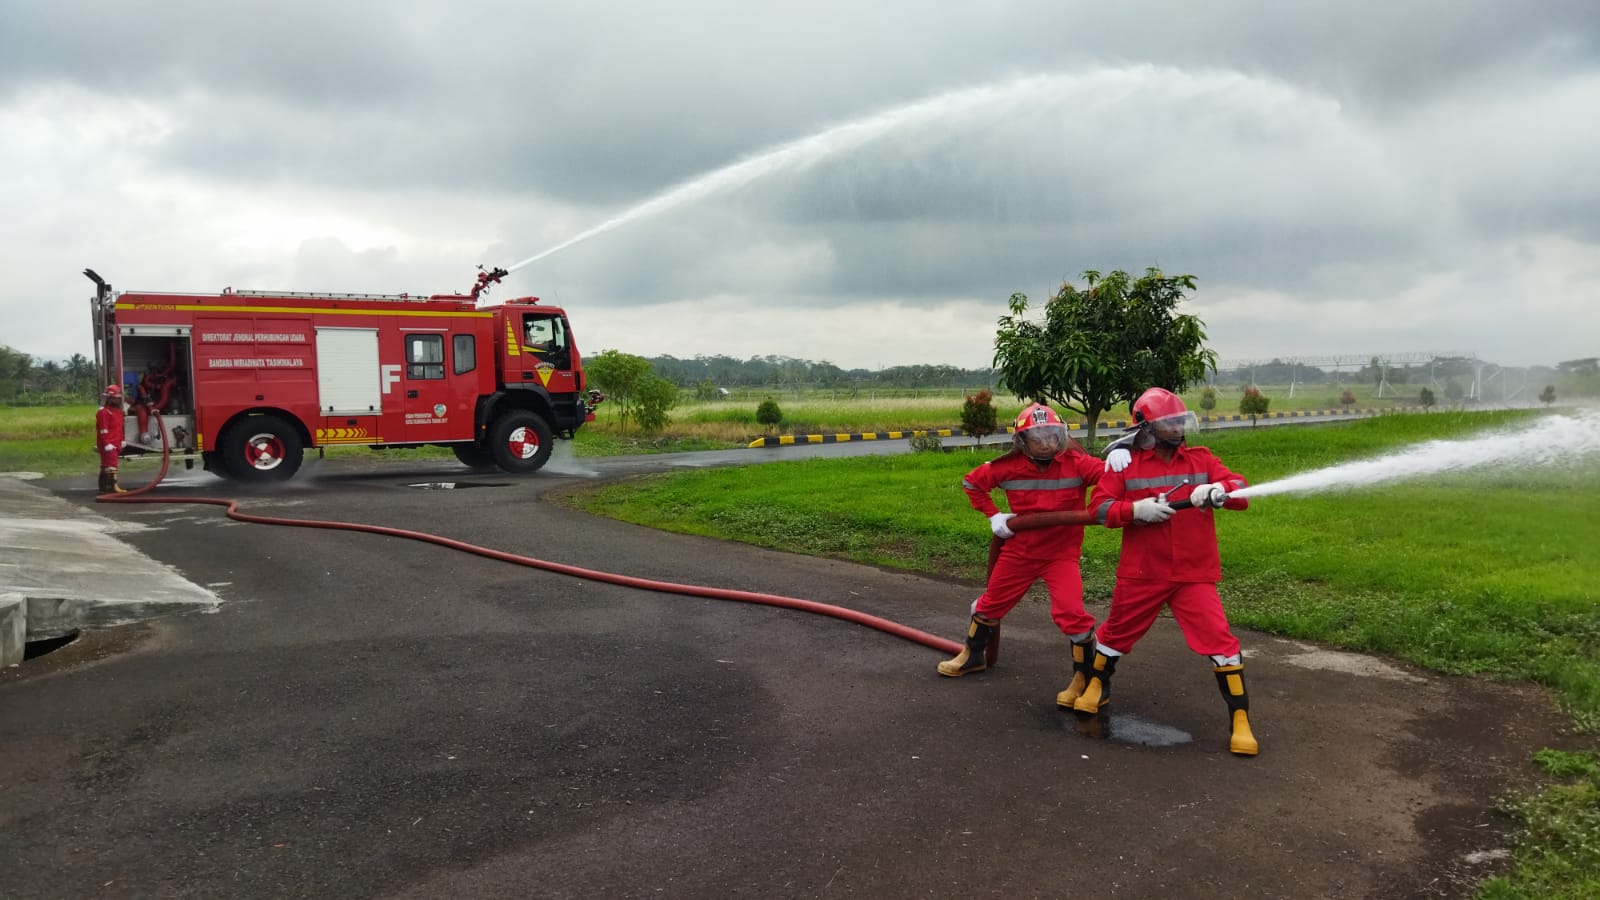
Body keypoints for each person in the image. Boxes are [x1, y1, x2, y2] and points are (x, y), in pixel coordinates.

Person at [1074, 387, 1258, 756]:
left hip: (1193, 573)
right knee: (1117, 633)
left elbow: (1240, 489)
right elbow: (1099, 509)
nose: (1177, 429)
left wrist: (1217, 489)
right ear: (1145, 428)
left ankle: (1240, 720)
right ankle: (1096, 686)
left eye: (1180, 421)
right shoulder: (1126, 464)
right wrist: (1135, 511)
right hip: (1143, 571)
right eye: (1169, 423)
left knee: (1220, 641)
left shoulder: (1202, 459)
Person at [937, 403, 1107, 706]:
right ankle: (972, 655)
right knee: (989, 605)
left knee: (1072, 614)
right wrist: (993, 516)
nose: (1045, 443)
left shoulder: (1077, 463)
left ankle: (1083, 678)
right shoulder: (1007, 466)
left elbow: (1112, 479)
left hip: (1061, 554)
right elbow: (971, 482)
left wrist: (1121, 461)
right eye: (1037, 438)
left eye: (1052, 436)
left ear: (1061, 436)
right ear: (1022, 442)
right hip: (1020, 551)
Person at [132, 343, 179, 444]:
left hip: (154, 407)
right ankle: (144, 434)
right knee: (141, 409)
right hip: (149, 407)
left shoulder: (163, 383)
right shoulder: (147, 383)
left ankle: (144, 435)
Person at [96, 384, 128, 494]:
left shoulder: (118, 412)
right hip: (108, 443)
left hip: (116, 442)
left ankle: (104, 487)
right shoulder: (103, 412)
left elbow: (120, 428)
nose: (118, 400)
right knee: (111, 464)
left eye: (119, 398)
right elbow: (103, 429)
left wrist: (122, 439)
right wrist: (106, 443)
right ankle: (112, 487)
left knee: (106, 464)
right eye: (116, 398)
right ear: (109, 398)